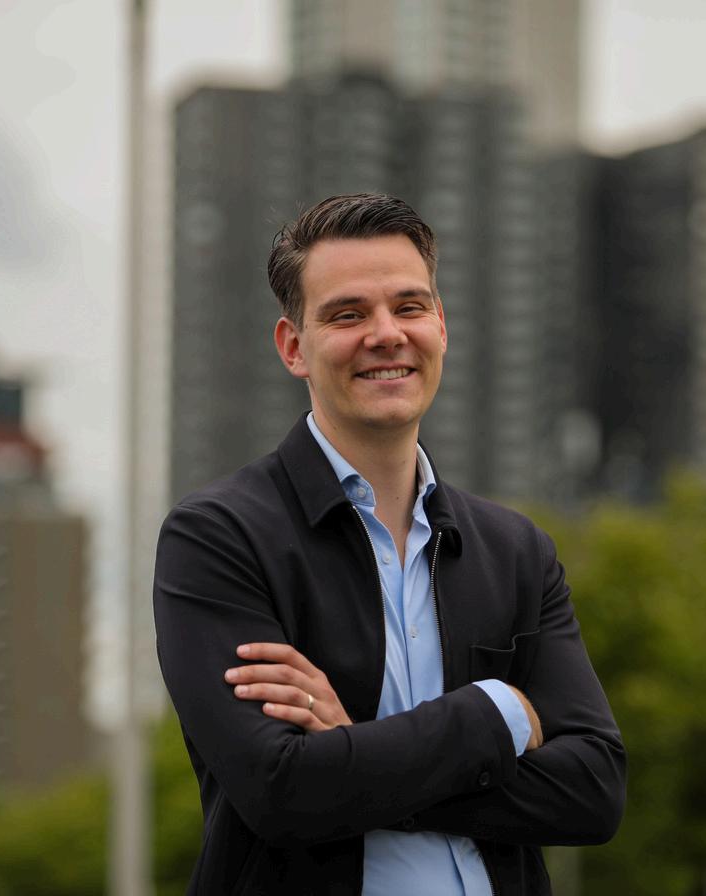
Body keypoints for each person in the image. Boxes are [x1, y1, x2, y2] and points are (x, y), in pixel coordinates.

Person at [153, 193, 625, 895]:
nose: (386, 334)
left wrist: (356, 749)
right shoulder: (219, 537)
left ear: (441, 325)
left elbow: (593, 791)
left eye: (409, 307)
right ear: (293, 347)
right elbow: (280, 790)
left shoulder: (517, 551)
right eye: (347, 315)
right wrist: (493, 713)